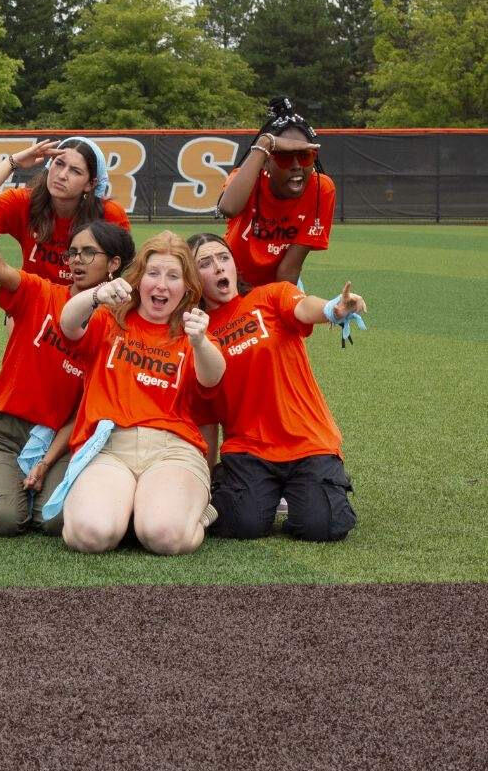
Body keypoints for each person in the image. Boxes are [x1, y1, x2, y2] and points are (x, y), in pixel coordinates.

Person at [0, 218, 136, 537]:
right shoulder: (42, 293)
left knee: (54, 520)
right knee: (3, 520)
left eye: (88, 253)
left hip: (59, 439)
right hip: (6, 430)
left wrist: (45, 462)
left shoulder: (118, 331)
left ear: (114, 263)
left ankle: (25, 485)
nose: (77, 261)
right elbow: (2, 270)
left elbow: (80, 412)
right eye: (72, 253)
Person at [46, 231, 225, 556]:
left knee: (165, 536)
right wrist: (96, 295)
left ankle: (191, 511)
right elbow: (68, 324)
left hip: (172, 449)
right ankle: (132, 509)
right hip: (109, 446)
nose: (161, 285)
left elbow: (213, 377)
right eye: (153, 273)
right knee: (89, 535)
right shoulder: (110, 319)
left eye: (173, 276)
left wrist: (200, 342)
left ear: (187, 287)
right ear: (139, 279)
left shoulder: (193, 331)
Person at [188, 233, 364, 541]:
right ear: (192, 279)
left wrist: (333, 309)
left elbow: (303, 308)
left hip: (308, 441)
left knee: (322, 527)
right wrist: (203, 480)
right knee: (241, 525)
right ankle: (264, 494)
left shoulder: (270, 295)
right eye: (205, 263)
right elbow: (206, 418)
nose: (218, 267)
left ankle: (298, 494)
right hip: (248, 449)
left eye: (224, 258)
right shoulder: (196, 335)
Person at [0, 136, 132, 287]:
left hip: (87, 307)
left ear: (90, 184)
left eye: (75, 171)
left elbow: (125, 270)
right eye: (59, 163)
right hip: (35, 305)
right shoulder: (26, 202)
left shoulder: (109, 214)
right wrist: (12, 162)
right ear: (49, 165)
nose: (62, 175)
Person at [216, 97, 334, 288]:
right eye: (285, 157)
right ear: (266, 162)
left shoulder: (321, 188)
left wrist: (276, 301)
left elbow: (289, 270)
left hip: (280, 283)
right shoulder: (246, 179)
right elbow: (228, 208)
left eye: (305, 156)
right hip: (234, 280)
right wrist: (265, 143)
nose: (296, 166)